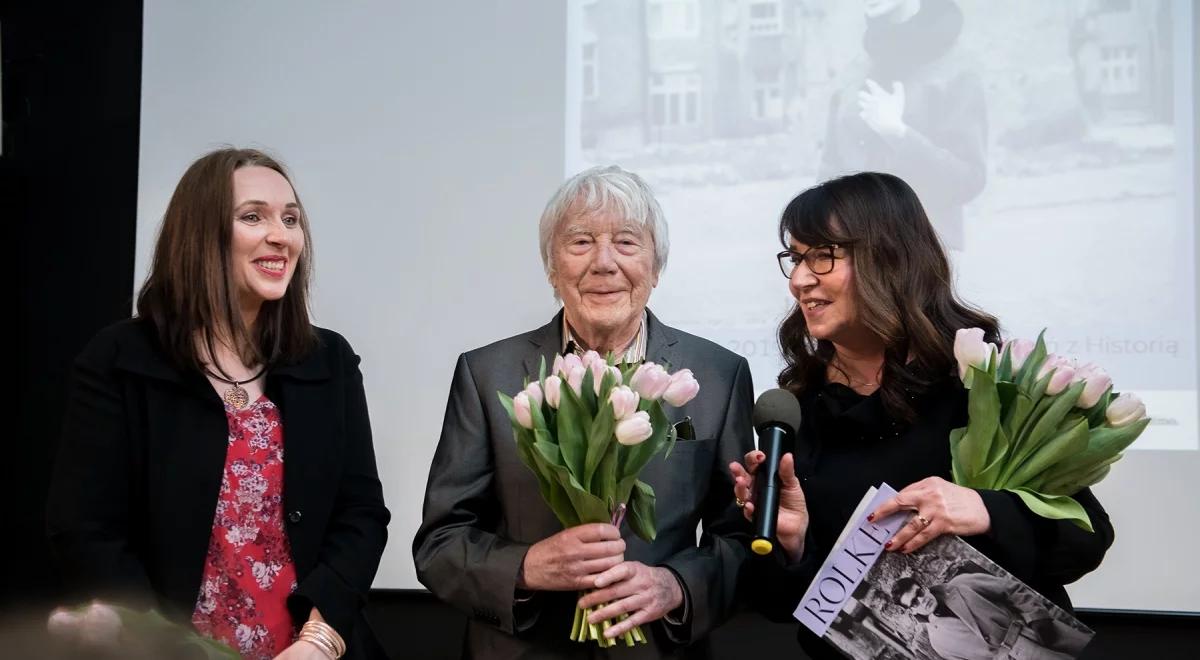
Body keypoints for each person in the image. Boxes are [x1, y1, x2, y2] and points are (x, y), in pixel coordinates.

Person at [729, 171, 1112, 660]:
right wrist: (795, 544)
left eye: (823, 256)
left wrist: (984, 509)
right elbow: (778, 605)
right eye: (796, 258)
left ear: (889, 257)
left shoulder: (981, 384)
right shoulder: (793, 410)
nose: (801, 279)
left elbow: (1087, 538)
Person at [46, 148, 391, 660]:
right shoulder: (121, 358)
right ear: (201, 234)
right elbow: (86, 529)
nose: (282, 235)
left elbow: (361, 515)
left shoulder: (330, 360)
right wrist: (165, 645)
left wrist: (318, 641)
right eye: (254, 216)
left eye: (290, 219)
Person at [413, 165, 754, 659]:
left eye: (627, 243)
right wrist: (526, 566)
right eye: (580, 243)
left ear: (656, 267)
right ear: (552, 267)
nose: (604, 263)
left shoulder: (717, 376)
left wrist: (675, 586)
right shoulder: (488, 375)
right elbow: (440, 544)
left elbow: (742, 538)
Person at [819, 0, 986, 249]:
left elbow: (968, 179)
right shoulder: (851, 75)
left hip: (924, 262)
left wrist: (898, 134)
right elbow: (829, 176)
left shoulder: (956, 74)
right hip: (856, 262)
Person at [892, 573, 1092, 659]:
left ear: (924, 587)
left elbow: (1010, 588)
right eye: (914, 603)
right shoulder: (938, 642)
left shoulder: (961, 584)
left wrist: (1037, 617)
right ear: (911, 611)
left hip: (1036, 629)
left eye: (919, 593)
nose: (921, 601)